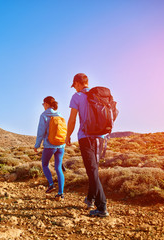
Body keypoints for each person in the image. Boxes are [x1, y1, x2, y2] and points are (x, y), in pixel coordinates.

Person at [65, 73, 109, 217]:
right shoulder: (98, 96)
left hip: (86, 138)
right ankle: (90, 199)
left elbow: (72, 120)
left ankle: (102, 207)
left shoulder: (77, 97)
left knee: (92, 171)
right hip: (101, 138)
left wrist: (67, 135)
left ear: (78, 83)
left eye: (75, 85)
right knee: (93, 169)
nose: (75, 89)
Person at [34, 96, 65, 200]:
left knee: (45, 164)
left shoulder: (44, 115)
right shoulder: (60, 114)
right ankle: (60, 193)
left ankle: (51, 184)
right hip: (61, 145)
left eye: (43, 104)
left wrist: (37, 145)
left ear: (46, 104)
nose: (43, 106)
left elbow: (41, 132)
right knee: (58, 168)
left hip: (49, 145)